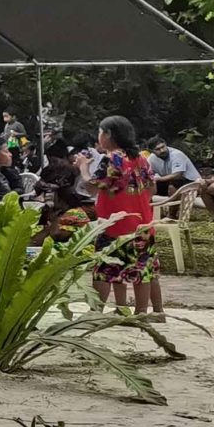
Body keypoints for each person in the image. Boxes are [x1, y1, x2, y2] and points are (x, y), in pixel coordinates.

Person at [78, 115, 164, 317]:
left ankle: (96, 311)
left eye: (100, 132)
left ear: (108, 134)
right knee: (142, 270)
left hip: (115, 225)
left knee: (104, 270)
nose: (98, 136)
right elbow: (152, 187)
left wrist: (83, 166)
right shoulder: (140, 158)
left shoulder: (113, 158)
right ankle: (143, 312)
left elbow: (92, 188)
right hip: (141, 222)